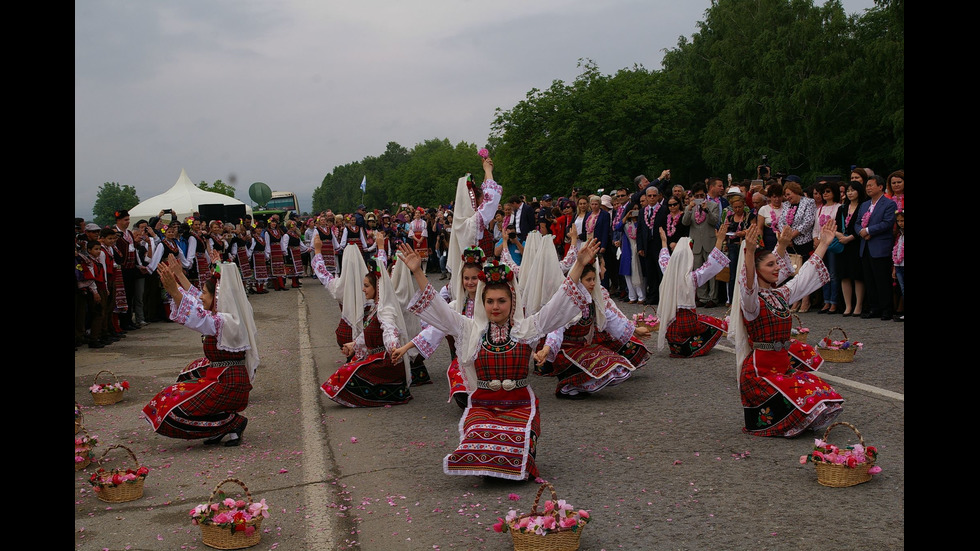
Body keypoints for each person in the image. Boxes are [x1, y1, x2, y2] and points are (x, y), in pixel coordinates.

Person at [399, 238, 601, 480]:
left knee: (516, 452)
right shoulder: (470, 330)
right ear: (482, 303)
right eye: (490, 301)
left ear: (512, 301)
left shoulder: (527, 329)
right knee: (480, 437)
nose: (495, 307)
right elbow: (439, 310)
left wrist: (578, 265)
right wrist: (418, 272)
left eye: (501, 301)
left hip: (520, 404)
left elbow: (558, 303)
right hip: (484, 404)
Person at [730, 222, 843, 437]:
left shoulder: (781, 294)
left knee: (822, 394)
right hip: (759, 374)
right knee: (807, 400)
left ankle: (795, 414)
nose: (778, 268)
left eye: (777, 264)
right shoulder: (751, 303)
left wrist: (824, 244)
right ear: (756, 270)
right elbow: (748, 285)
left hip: (782, 368)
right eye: (770, 265)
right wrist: (750, 253)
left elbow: (805, 275)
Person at [142, 254, 259, 446]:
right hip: (221, 375)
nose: (201, 296)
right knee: (178, 386)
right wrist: (179, 277)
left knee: (172, 414)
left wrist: (174, 290)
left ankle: (230, 423)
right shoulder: (227, 313)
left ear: (218, 297)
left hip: (229, 384)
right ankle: (221, 423)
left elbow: (200, 317)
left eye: (206, 293)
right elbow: (198, 300)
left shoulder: (229, 321)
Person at [312, 232, 413, 407]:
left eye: (366, 286)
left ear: (376, 287)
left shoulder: (384, 308)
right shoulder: (375, 306)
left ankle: (387, 391)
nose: (362, 290)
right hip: (373, 353)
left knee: (346, 374)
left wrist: (394, 347)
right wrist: (353, 345)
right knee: (344, 373)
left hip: (384, 360)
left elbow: (390, 330)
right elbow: (366, 332)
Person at [536, 260, 651, 399]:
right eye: (588, 280)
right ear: (579, 281)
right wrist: (546, 349)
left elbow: (611, 319)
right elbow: (556, 329)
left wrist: (635, 331)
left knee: (615, 363)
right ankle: (567, 385)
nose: (592, 283)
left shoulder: (593, 300)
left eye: (593, 279)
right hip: (565, 352)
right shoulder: (569, 303)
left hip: (582, 347)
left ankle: (578, 384)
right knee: (602, 362)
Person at [657, 224, 730, 358]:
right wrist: (719, 240)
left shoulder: (668, 273)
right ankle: (692, 347)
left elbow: (663, 259)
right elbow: (711, 264)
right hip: (688, 325)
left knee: (682, 328)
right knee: (718, 324)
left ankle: (678, 347)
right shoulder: (692, 278)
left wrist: (664, 242)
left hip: (671, 328)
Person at [856, 175, 897, 320]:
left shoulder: (889, 204)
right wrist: (861, 231)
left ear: (880, 187)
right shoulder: (865, 205)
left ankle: (886, 309)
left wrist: (868, 231)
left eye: (871, 185)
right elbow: (857, 223)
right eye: (867, 186)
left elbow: (887, 222)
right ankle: (874, 308)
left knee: (882, 279)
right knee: (869, 279)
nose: (868, 188)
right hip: (865, 246)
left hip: (880, 246)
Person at [681, 183, 720, 307]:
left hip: (709, 241)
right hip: (696, 243)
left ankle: (713, 297)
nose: (699, 198)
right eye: (697, 196)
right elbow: (685, 222)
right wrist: (689, 209)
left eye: (701, 195)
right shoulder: (690, 207)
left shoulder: (713, 205)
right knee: (698, 271)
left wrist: (706, 210)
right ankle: (702, 297)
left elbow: (714, 221)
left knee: (711, 271)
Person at [834, 181, 866, 317]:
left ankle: (858, 305)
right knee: (844, 276)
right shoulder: (842, 208)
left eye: (853, 190)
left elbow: (863, 225)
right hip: (842, 244)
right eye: (848, 191)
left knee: (857, 276)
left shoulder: (863, 207)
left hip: (856, 243)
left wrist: (850, 238)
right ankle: (848, 306)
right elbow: (834, 225)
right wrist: (839, 235)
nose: (850, 193)